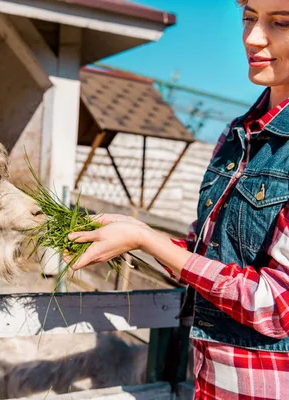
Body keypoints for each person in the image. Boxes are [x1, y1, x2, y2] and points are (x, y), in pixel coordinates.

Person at [67, 0, 289, 399]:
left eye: (282, 22)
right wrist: (134, 234)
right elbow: (207, 260)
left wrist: (148, 241)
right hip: (208, 382)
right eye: (249, 18)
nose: (254, 38)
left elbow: (275, 305)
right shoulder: (235, 136)